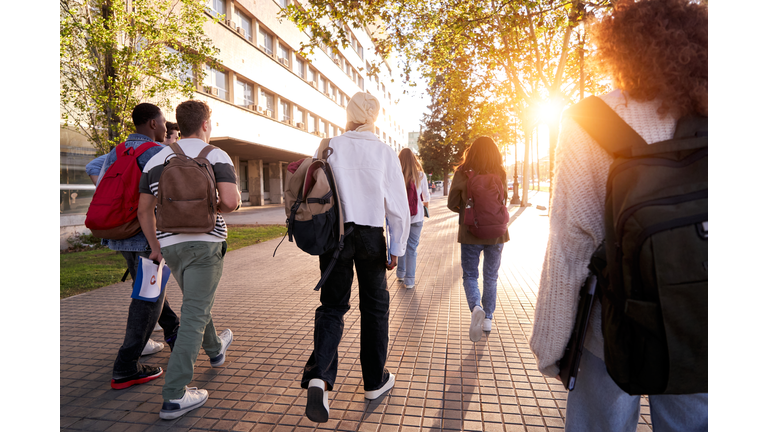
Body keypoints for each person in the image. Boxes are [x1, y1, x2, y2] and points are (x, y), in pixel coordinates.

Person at [528, 1, 708, 430]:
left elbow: (571, 243)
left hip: (610, 327)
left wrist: (550, 345)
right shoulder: (713, 115)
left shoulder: (590, 122)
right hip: (699, 318)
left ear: (620, 47)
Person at [301, 92, 410, 423]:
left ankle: (320, 376)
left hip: (335, 235)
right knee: (375, 308)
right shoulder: (383, 150)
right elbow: (398, 206)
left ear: (348, 114)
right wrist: (397, 248)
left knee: (333, 306)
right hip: (370, 237)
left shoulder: (329, 146)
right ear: (374, 117)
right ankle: (374, 382)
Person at [137, 99, 241, 420]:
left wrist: (155, 246)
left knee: (196, 302)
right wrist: (209, 208)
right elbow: (231, 201)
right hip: (206, 243)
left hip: (170, 245)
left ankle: (215, 349)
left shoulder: (157, 157)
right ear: (206, 124)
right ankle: (175, 394)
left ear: (178, 125)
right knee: (194, 313)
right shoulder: (217, 156)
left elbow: (143, 210)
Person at [85, 103, 181, 390]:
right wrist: (158, 242)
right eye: (163, 122)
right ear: (153, 123)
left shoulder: (119, 150)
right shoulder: (157, 152)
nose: (165, 127)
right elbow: (168, 196)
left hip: (120, 233)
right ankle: (126, 366)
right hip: (146, 235)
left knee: (148, 291)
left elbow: (95, 171)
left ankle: (174, 331)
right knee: (148, 298)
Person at [447, 136, 509, 342]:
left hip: (470, 233)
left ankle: (476, 307)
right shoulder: (500, 172)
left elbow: (452, 203)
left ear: (471, 152)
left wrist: (469, 212)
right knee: (491, 276)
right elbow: (503, 199)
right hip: (496, 233)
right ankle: (489, 318)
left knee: (470, 275)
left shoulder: (463, 172)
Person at [396, 148, 430, 289]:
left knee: (402, 244)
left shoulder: (397, 175)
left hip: (400, 218)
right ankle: (409, 281)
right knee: (412, 248)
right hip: (416, 218)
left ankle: (400, 273)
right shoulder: (421, 175)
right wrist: (424, 209)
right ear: (414, 159)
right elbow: (426, 197)